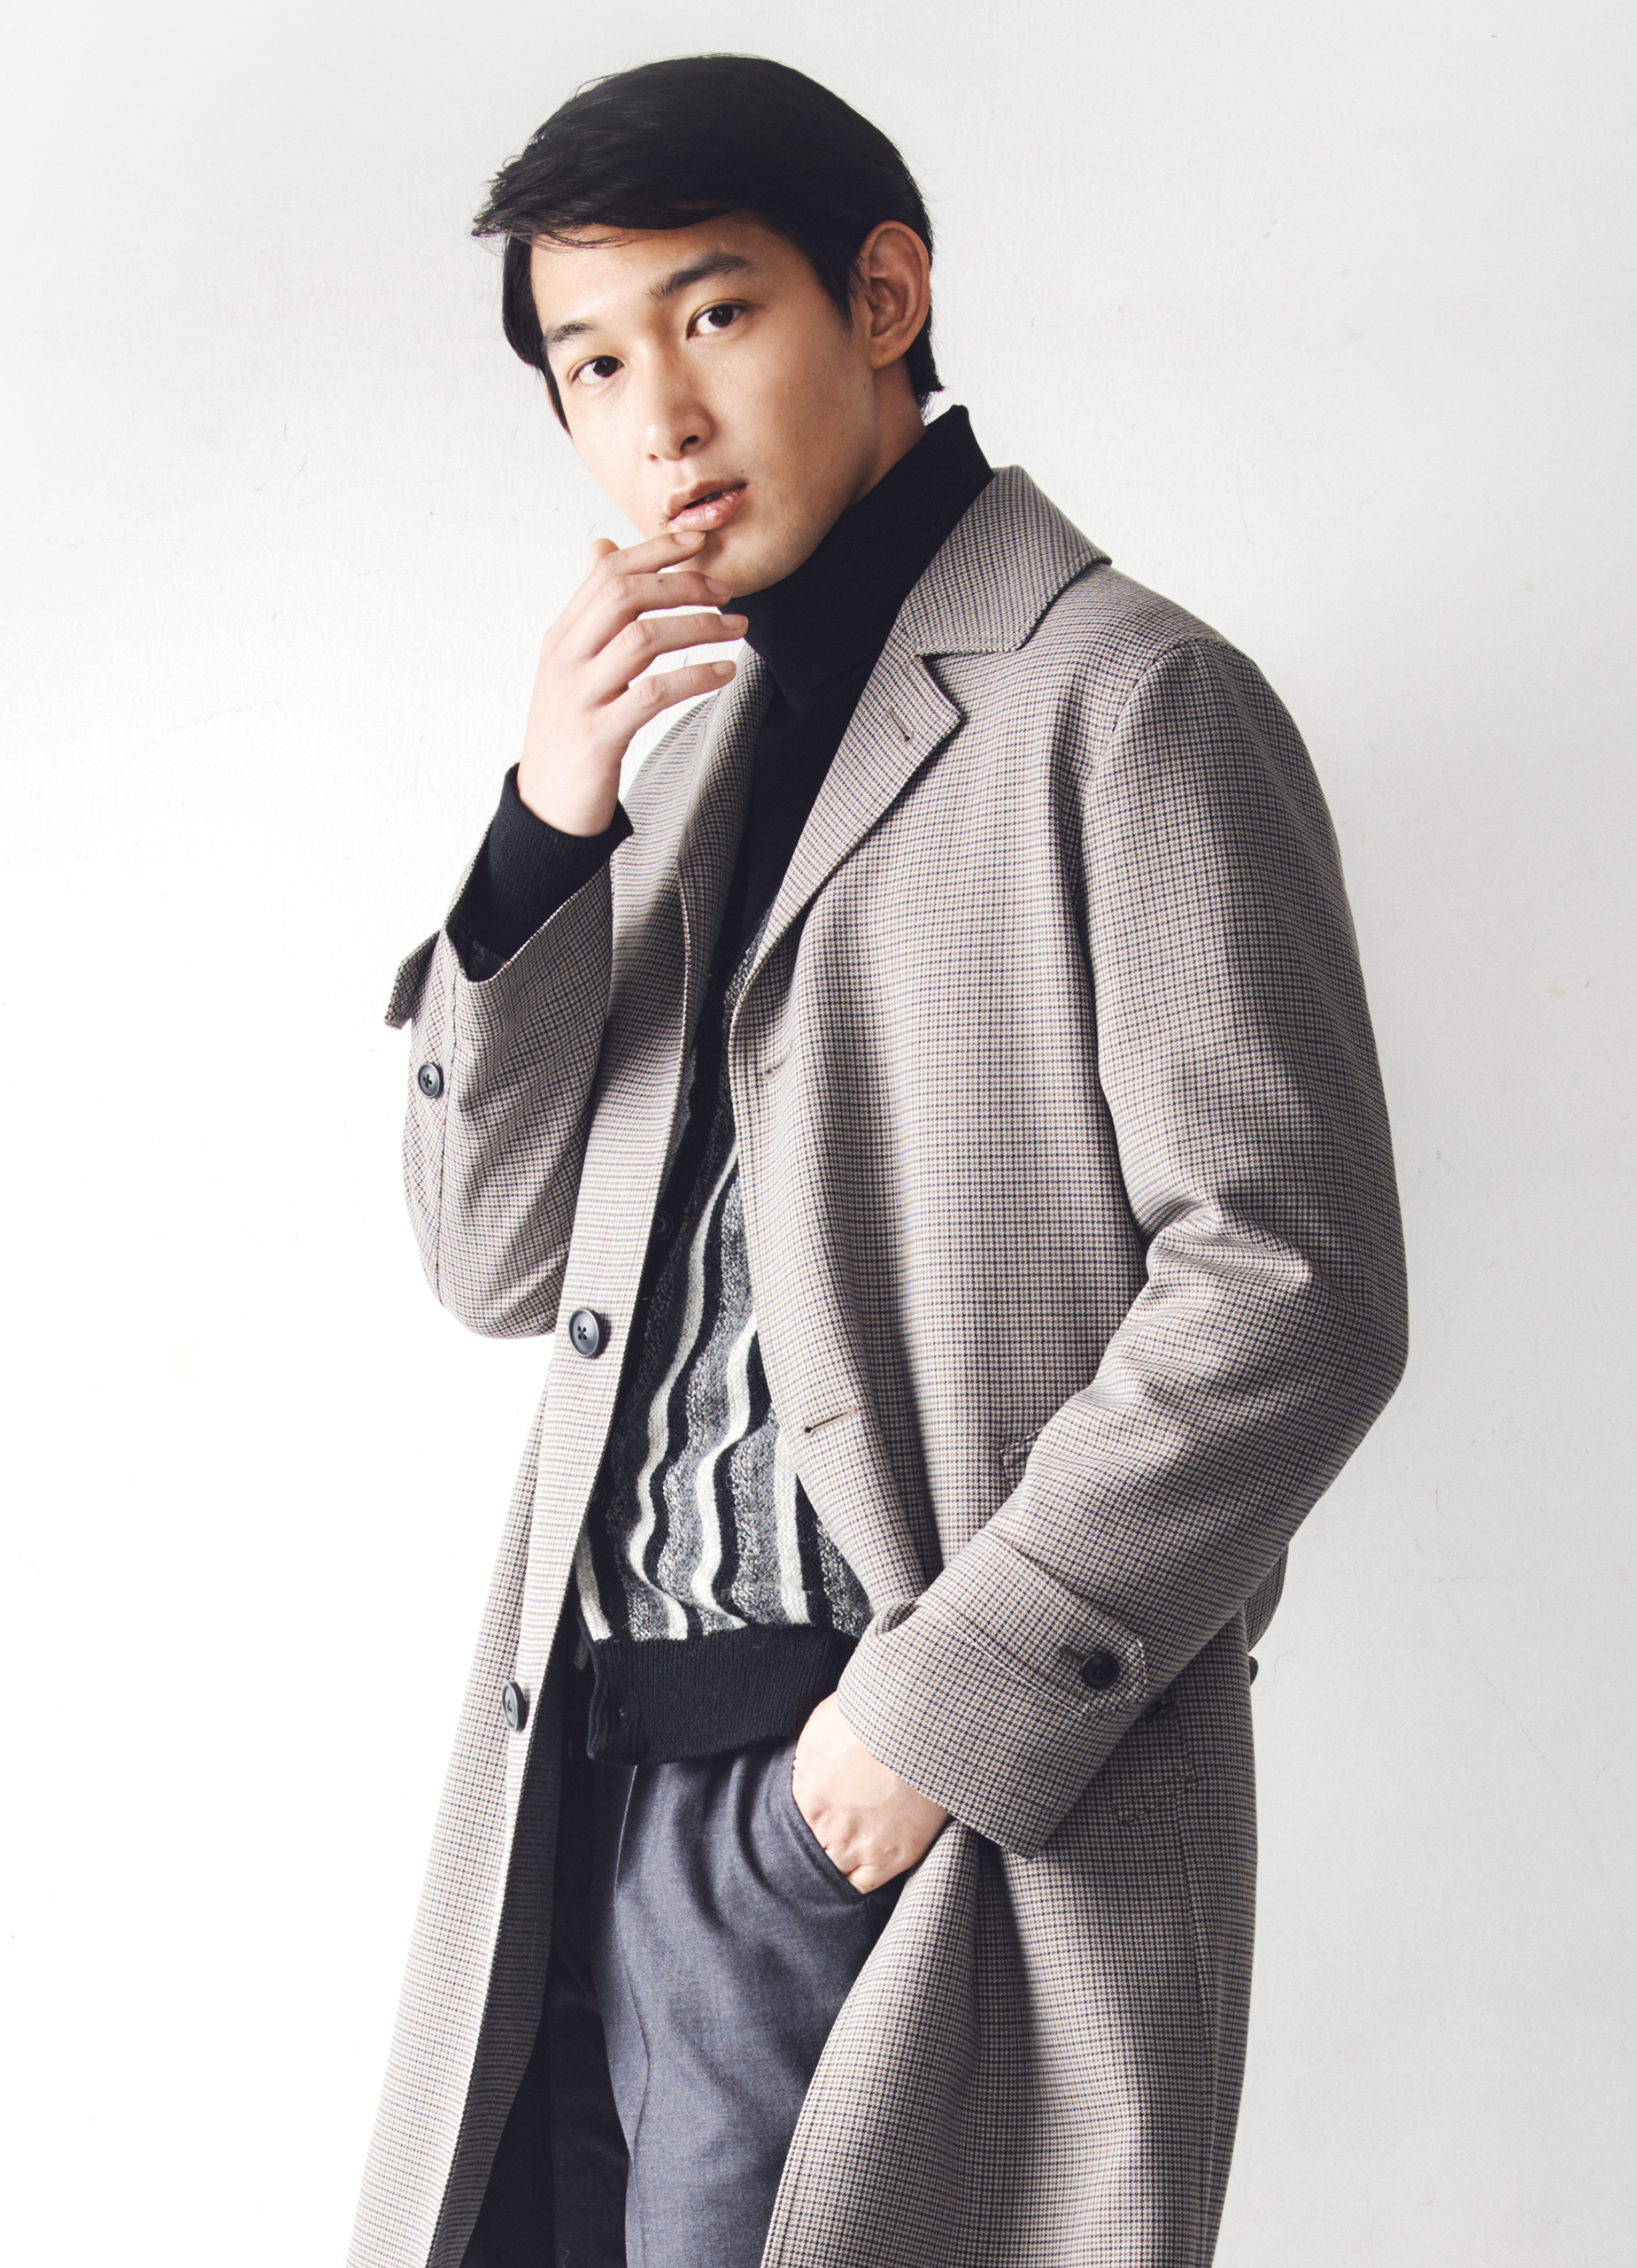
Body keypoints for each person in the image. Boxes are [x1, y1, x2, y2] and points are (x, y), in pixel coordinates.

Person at [350, 52, 1408, 2268]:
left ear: (884, 297)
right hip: (590, 1783)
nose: (658, 416)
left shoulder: (1125, 699)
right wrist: (541, 831)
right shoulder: (682, 763)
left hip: (885, 1808)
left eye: (716, 314)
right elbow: (489, 1257)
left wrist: (925, 1721)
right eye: (590, 362)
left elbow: (1288, 1285)